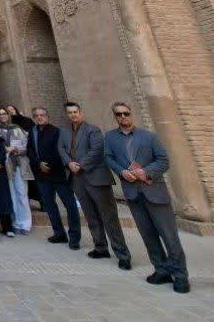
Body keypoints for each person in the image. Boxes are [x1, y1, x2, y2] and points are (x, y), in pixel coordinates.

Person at [104, 102, 188, 292]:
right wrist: (121, 172)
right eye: (119, 114)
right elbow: (108, 158)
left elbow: (163, 161)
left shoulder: (149, 136)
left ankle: (180, 275)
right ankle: (161, 270)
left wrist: (145, 171)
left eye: (126, 113)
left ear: (131, 114)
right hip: (133, 194)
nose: (123, 116)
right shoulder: (110, 137)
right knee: (148, 235)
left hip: (155, 193)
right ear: (115, 117)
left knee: (169, 236)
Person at [59, 102, 131, 269]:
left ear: (80, 112)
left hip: (96, 178)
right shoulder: (64, 132)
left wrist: (80, 165)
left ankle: (123, 255)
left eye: (75, 112)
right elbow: (61, 149)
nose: (73, 115)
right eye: (70, 112)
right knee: (90, 215)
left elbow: (97, 150)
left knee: (109, 218)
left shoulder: (93, 130)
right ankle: (100, 247)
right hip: (77, 179)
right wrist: (69, 163)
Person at [27, 106, 80, 248]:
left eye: (42, 115)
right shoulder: (33, 132)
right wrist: (38, 163)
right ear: (34, 118)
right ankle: (59, 233)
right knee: (49, 206)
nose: (40, 117)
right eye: (37, 115)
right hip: (42, 177)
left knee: (70, 205)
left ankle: (74, 237)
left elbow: (60, 151)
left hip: (59, 175)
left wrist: (48, 164)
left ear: (47, 116)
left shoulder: (57, 131)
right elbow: (30, 151)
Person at [0, 107, 33, 235]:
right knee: (12, 194)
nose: (2, 116)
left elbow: (26, 145)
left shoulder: (17, 129)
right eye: (0, 114)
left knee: (22, 193)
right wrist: (5, 149)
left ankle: (25, 223)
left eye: (4, 114)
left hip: (18, 164)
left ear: (8, 115)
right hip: (6, 166)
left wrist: (19, 150)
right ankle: (16, 222)